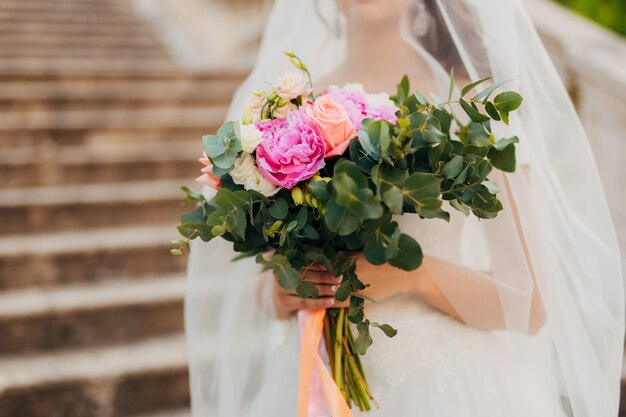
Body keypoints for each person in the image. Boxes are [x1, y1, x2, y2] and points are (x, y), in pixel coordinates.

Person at [186, 1, 624, 416]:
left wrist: (413, 273)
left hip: (438, 381)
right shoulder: (286, 115)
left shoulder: (468, 109)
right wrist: (283, 292)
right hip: (315, 375)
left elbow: (530, 305)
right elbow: (263, 281)